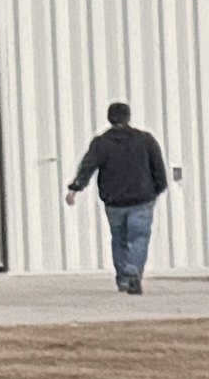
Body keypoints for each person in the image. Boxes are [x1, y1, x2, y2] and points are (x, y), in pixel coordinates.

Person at [68, 102, 168, 293]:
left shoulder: (101, 143)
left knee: (119, 238)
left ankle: (123, 278)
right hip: (142, 199)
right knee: (139, 237)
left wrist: (75, 188)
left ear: (109, 118)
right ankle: (133, 273)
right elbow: (158, 168)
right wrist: (157, 189)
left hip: (114, 201)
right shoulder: (145, 140)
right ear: (128, 117)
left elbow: (87, 167)